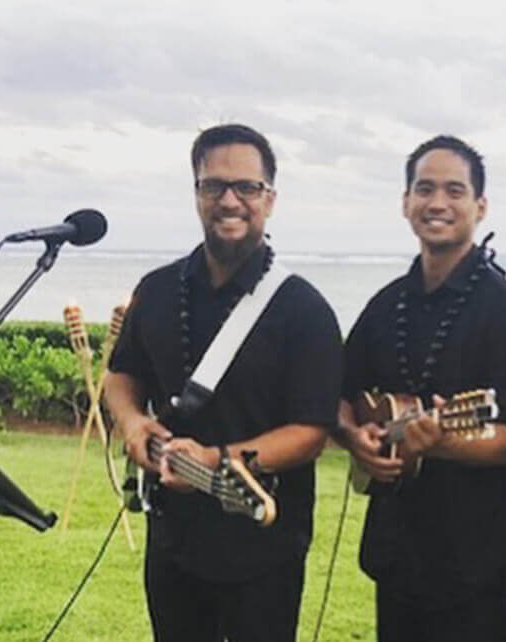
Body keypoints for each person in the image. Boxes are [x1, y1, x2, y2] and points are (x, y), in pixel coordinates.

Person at [103, 123, 343, 641]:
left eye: (246, 188)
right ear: (196, 194)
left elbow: (311, 432)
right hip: (173, 541)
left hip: (264, 544)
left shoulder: (305, 310)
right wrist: (133, 421)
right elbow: (122, 374)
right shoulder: (159, 290)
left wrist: (214, 460)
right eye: (213, 186)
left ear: (270, 199)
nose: (229, 200)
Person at [334, 135, 506, 641]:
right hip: (397, 546)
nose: (438, 203)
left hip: (475, 558)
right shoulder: (385, 306)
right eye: (424, 189)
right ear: (406, 204)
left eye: (454, 190)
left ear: (480, 206)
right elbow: (338, 393)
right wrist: (353, 436)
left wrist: (443, 441)